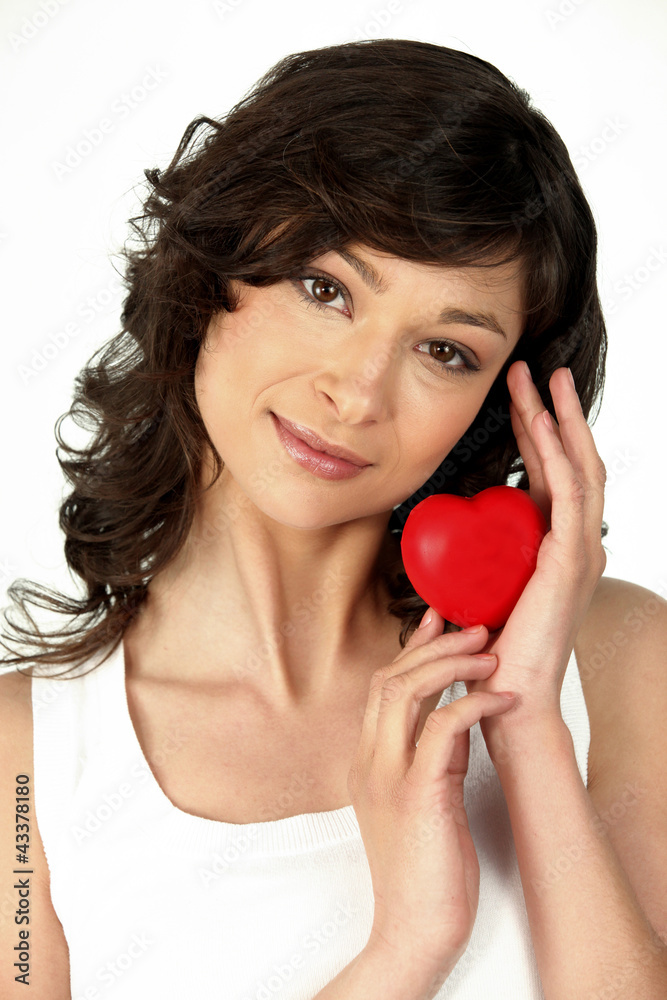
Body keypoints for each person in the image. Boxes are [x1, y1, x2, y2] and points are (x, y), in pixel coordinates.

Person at [1, 37, 666, 1000]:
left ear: (495, 405)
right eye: (326, 290)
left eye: (444, 350)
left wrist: (527, 730)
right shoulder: (24, 767)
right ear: (212, 271)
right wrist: (407, 946)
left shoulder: (617, 656)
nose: (356, 394)